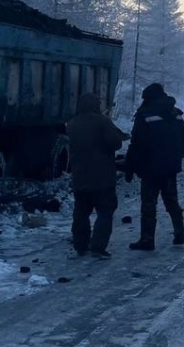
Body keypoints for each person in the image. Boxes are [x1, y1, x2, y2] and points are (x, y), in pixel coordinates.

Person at [125, 83, 184, 251]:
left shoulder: (145, 114)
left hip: (150, 167)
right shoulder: (175, 114)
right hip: (170, 166)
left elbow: (136, 143)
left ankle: (147, 239)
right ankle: (180, 233)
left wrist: (129, 166)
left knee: (148, 204)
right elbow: (183, 137)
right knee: (172, 201)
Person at [66, 92, 125, 258]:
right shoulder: (103, 121)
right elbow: (115, 143)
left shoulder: (72, 123)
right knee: (105, 211)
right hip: (102, 177)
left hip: (80, 176)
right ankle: (98, 247)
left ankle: (80, 245)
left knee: (81, 212)